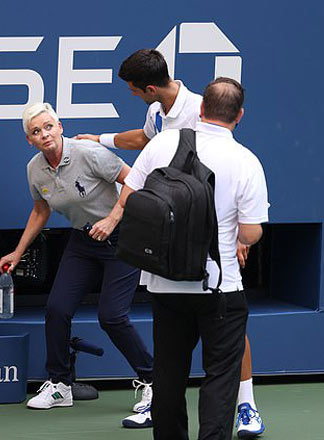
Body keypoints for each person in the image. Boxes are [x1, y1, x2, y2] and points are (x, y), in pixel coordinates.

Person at [76, 49, 265, 437]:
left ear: (203, 106)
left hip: (164, 285)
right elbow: (250, 233)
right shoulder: (246, 160)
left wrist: (118, 221)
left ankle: (197, 426)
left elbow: (131, 189)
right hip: (219, 287)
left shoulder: (164, 144)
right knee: (219, 376)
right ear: (239, 116)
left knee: (168, 373)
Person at [0, 102, 154, 412]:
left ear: (60, 127)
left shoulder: (88, 152)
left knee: (111, 316)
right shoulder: (34, 169)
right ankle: (59, 385)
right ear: (30, 139)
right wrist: (17, 252)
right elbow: (41, 210)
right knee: (56, 308)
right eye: (36, 132)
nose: (44, 134)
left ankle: (155, 381)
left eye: (48, 127)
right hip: (83, 241)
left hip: (123, 237)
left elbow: (135, 181)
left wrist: (112, 219)